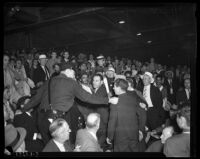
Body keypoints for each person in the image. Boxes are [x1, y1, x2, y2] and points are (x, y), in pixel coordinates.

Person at [20, 62, 118, 145]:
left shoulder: (49, 81)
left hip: (42, 121)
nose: (74, 75)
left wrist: (22, 109)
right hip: (58, 121)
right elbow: (87, 97)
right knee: (63, 147)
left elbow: (35, 99)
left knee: (51, 148)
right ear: (67, 71)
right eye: (73, 72)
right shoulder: (71, 82)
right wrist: (108, 100)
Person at [107, 78, 145, 152]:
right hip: (134, 134)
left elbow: (112, 121)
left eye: (114, 86)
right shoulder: (134, 98)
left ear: (119, 88)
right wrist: (140, 130)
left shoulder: (115, 102)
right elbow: (142, 115)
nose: (113, 88)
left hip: (120, 137)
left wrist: (109, 136)